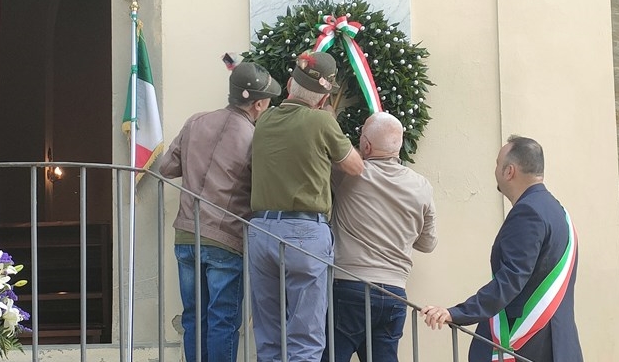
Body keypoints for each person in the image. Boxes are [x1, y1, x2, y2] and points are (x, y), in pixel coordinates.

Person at [158, 61, 281, 362]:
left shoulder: (196, 121)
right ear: (259, 103)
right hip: (227, 240)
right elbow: (261, 191)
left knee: (192, 318)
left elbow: (165, 168)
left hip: (186, 236)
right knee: (222, 321)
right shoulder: (255, 138)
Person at [421, 135, 583, 362]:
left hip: (528, 345)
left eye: (498, 164)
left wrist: (457, 313)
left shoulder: (528, 213)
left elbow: (511, 279)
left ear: (509, 171)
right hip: (559, 344)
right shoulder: (556, 211)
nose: (495, 170)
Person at [248, 51, 364, 362]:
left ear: (289, 84)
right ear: (324, 98)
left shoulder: (265, 119)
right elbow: (355, 167)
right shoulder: (321, 121)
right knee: (306, 340)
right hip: (304, 232)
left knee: (269, 338)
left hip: (261, 229)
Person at [322, 112, 438, 362]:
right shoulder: (422, 187)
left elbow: (329, 151)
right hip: (395, 294)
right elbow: (428, 243)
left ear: (365, 145)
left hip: (349, 285)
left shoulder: (350, 174)